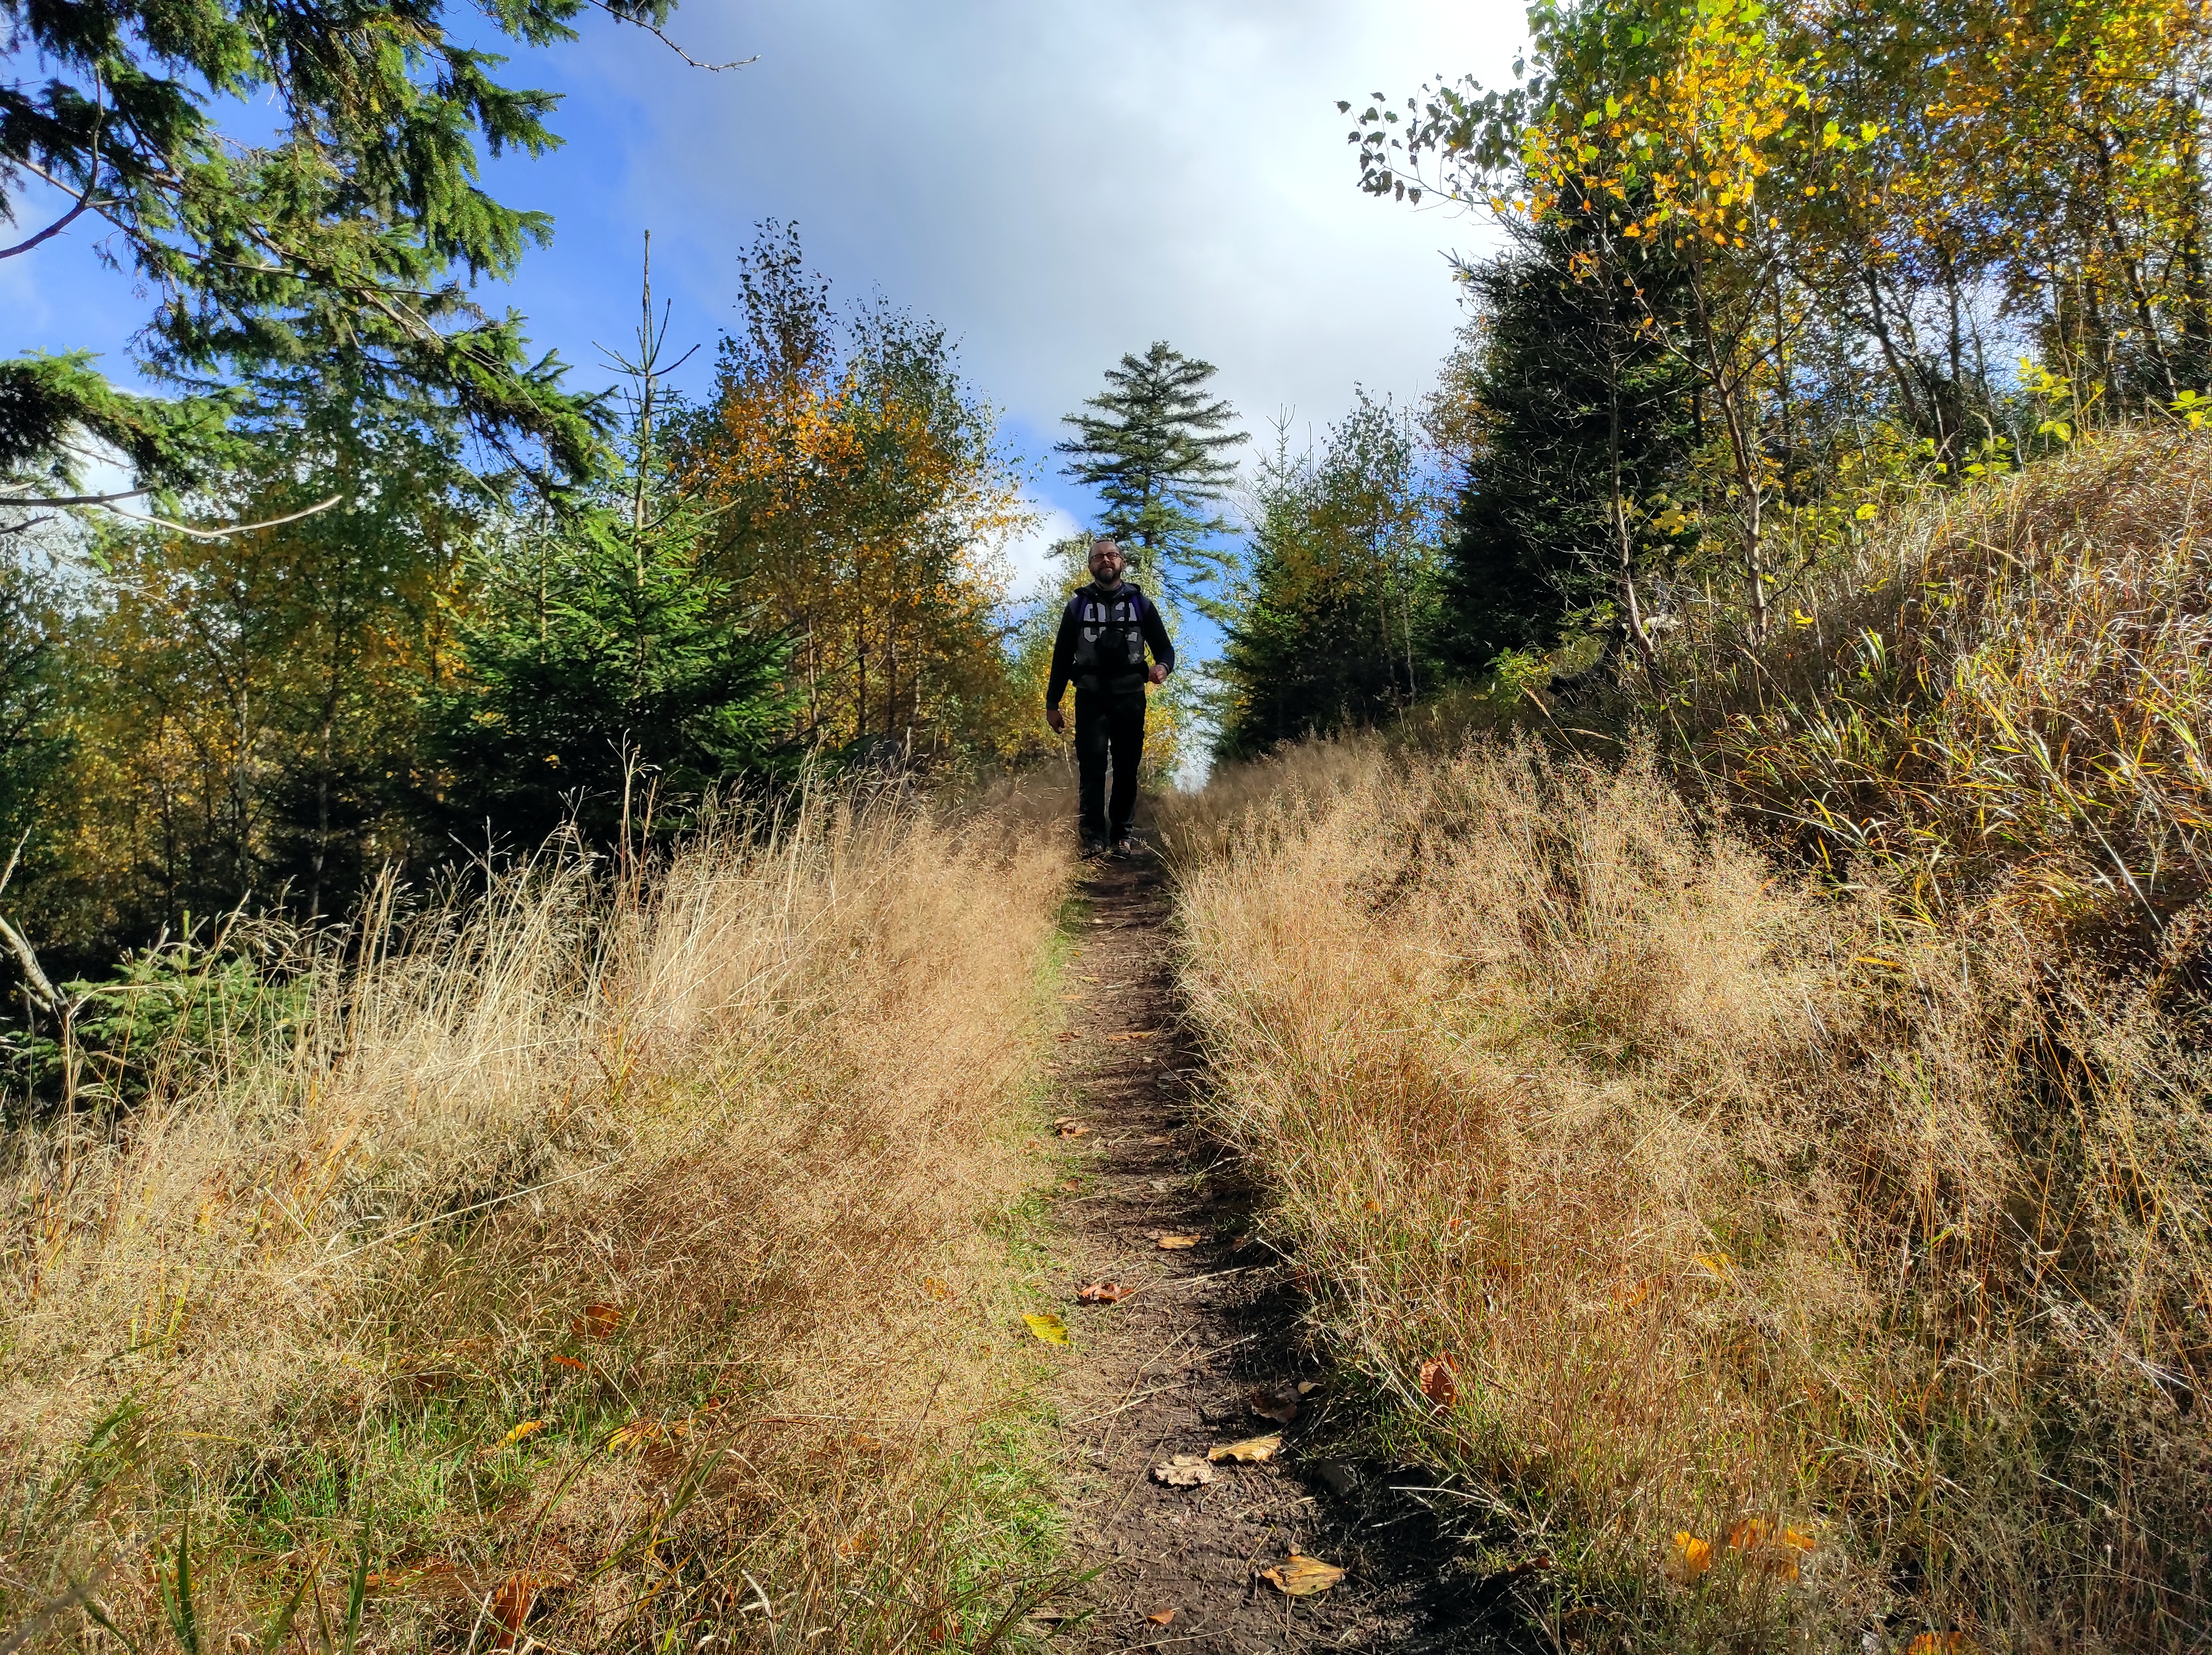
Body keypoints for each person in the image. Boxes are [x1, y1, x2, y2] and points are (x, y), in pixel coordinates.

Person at [1045, 537, 1175, 857]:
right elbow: (1062, 658)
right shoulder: (1077, 607)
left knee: (1127, 767)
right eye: (1099, 557)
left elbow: (1165, 649)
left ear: (1122, 563)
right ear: (1090, 565)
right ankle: (1093, 837)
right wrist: (1053, 704)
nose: (1106, 560)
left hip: (1130, 696)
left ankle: (1122, 836)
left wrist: (1163, 668)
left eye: (1112, 555)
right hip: (1090, 696)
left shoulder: (1140, 604)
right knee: (1092, 768)